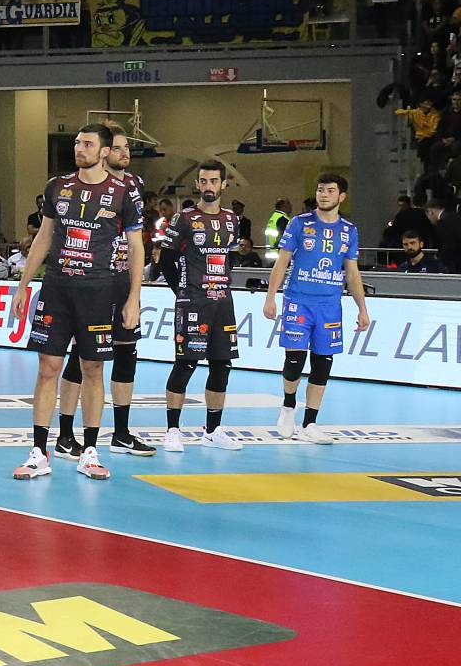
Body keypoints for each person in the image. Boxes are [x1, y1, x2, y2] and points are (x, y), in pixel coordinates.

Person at [9, 125, 146, 482]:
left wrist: (134, 297)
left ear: (104, 151)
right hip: (57, 288)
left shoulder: (123, 193)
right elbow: (44, 236)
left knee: (93, 369)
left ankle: (90, 452)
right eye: (76, 143)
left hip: (98, 290)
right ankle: (38, 453)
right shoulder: (57, 186)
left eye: (87, 143)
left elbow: (136, 248)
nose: (79, 148)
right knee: (47, 368)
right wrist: (23, 285)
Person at [54, 127, 152, 457]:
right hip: (92, 279)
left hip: (123, 278)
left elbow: (137, 241)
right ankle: (66, 433)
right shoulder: (82, 186)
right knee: (82, 356)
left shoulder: (134, 186)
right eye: (118, 148)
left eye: (127, 148)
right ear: (105, 152)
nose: (124, 154)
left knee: (126, 351)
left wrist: (135, 293)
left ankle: (121, 432)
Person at [265, 175, 371, 443]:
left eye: (330, 191)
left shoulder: (349, 230)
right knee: (294, 360)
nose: (324, 194)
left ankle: (310, 423)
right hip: (298, 300)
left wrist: (362, 308)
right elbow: (282, 262)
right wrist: (271, 297)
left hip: (329, 305)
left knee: (323, 363)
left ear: (342, 196)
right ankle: (288, 405)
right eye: (320, 190)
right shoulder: (299, 223)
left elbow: (352, 272)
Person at [155, 160, 245, 453]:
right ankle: (172, 430)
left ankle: (213, 430)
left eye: (214, 181)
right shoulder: (183, 218)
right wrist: (182, 292)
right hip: (193, 301)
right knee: (186, 364)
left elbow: (231, 257)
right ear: (197, 184)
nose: (208, 186)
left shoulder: (232, 219)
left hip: (223, 303)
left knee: (222, 365)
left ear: (223, 184)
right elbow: (165, 260)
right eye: (203, 181)